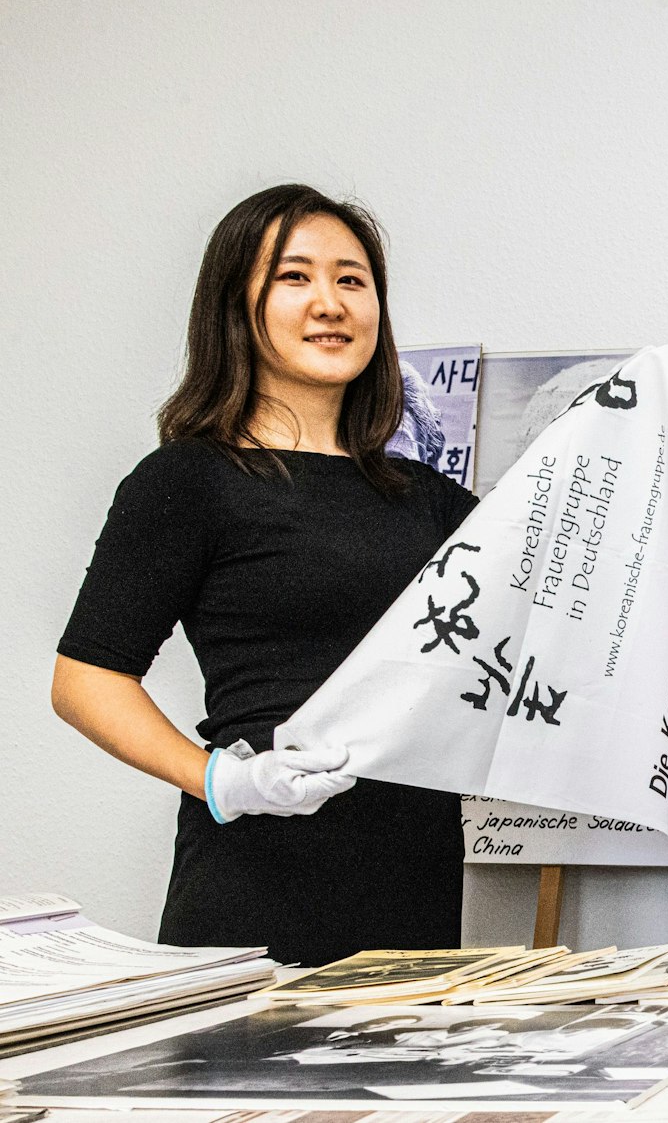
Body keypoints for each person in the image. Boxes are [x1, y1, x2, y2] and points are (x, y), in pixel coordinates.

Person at [51, 184, 476, 966]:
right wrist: (221, 781)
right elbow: (85, 679)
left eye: (352, 280)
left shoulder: (433, 502)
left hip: (412, 894)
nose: (331, 302)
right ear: (235, 305)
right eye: (294, 277)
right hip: (255, 890)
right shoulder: (189, 480)